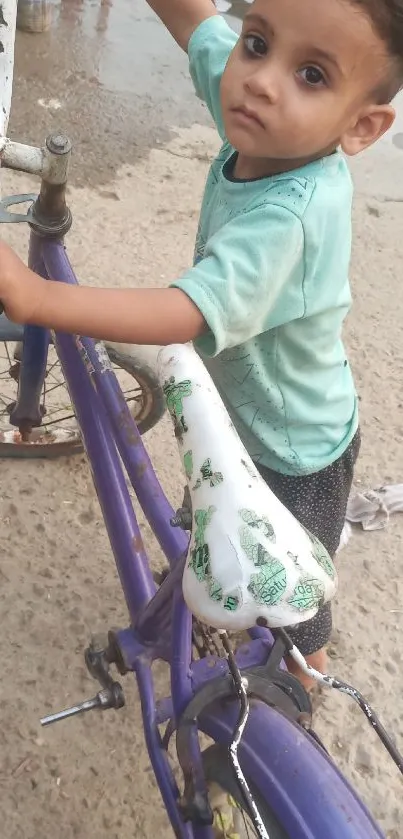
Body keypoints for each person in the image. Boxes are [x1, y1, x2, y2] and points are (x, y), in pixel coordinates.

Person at [0, 0, 401, 689]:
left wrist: (38, 299)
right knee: (207, 516)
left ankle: (301, 693)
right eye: (257, 42)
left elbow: (185, 310)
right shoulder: (267, 121)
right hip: (236, 412)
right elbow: (196, 26)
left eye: (309, 73)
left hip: (295, 452)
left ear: (361, 126)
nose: (261, 80)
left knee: (289, 603)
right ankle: (204, 572)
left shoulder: (293, 215)